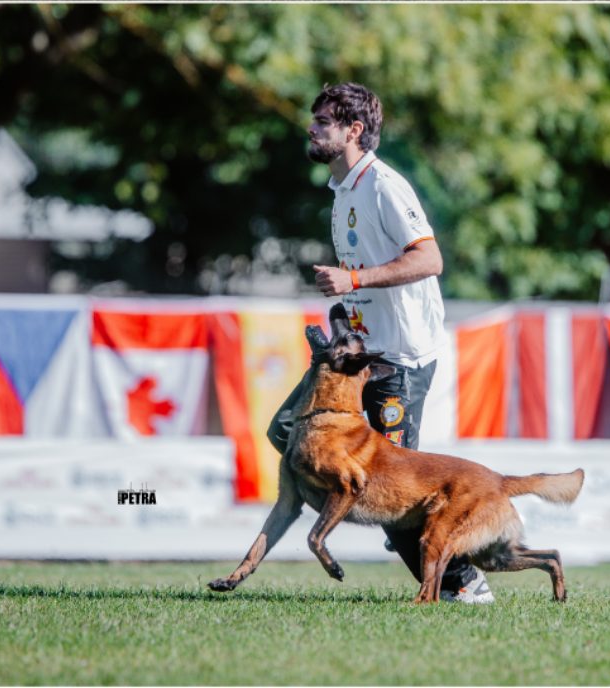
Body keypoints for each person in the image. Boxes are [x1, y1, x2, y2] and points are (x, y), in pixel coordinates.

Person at [267, 82, 493, 604]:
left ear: (354, 131)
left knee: (394, 492)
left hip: (401, 361)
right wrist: (347, 305)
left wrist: (355, 281)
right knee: (287, 430)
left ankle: (465, 586)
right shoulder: (342, 189)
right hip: (359, 355)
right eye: (315, 118)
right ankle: (350, 503)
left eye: (323, 121)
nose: (311, 127)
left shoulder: (384, 186)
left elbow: (430, 260)